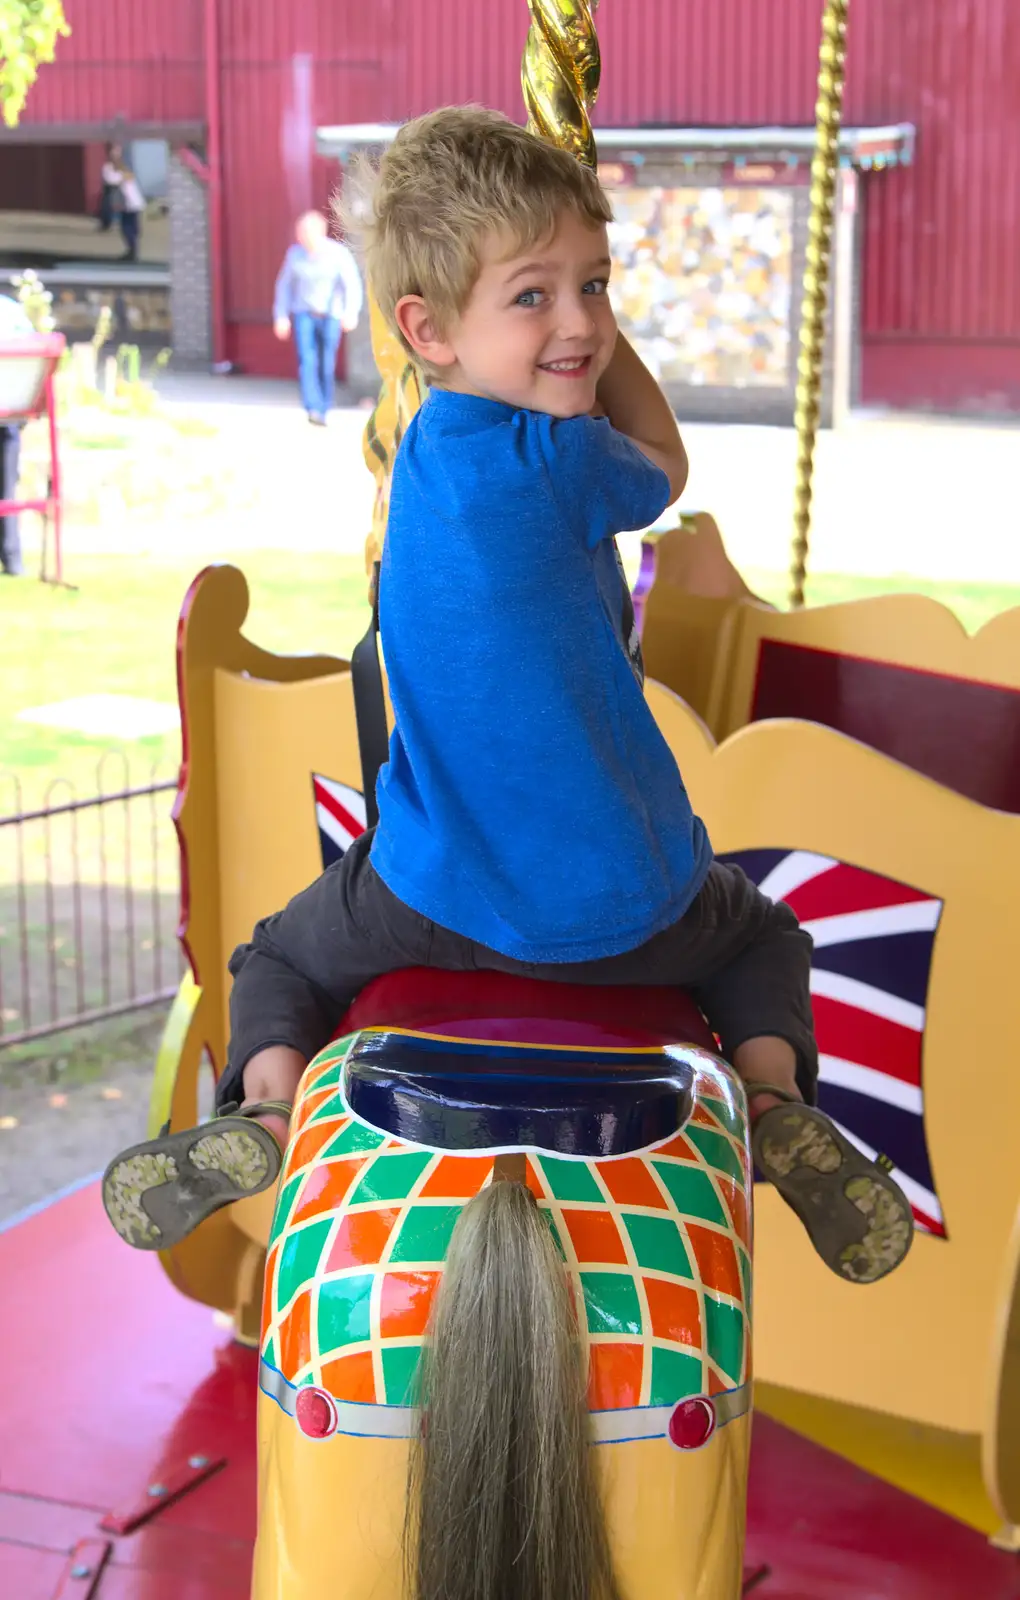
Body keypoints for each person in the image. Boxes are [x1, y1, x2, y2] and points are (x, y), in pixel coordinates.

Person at [103, 109, 913, 1287]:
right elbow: (669, 467)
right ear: (428, 328)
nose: (580, 322)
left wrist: (535, 323)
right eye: (534, 297)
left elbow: (505, 367)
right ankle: (775, 1097)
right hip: (638, 914)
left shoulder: (430, 445)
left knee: (277, 958)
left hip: (431, 900)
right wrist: (602, 355)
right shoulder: (563, 463)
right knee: (762, 933)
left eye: (596, 283)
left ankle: (265, 1109)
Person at [272, 209, 364, 424]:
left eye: (306, 232)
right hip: (304, 314)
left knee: (325, 362)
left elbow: (351, 285)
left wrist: (351, 313)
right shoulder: (295, 255)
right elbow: (284, 287)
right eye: (300, 232)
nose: (302, 236)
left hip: (330, 315)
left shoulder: (338, 254)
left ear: (320, 233)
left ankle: (323, 407)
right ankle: (312, 407)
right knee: (307, 360)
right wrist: (281, 316)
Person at [0, 292, 36, 578]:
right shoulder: (12, 313)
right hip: (10, 416)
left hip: (7, 419)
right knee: (6, 488)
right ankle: (12, 558)